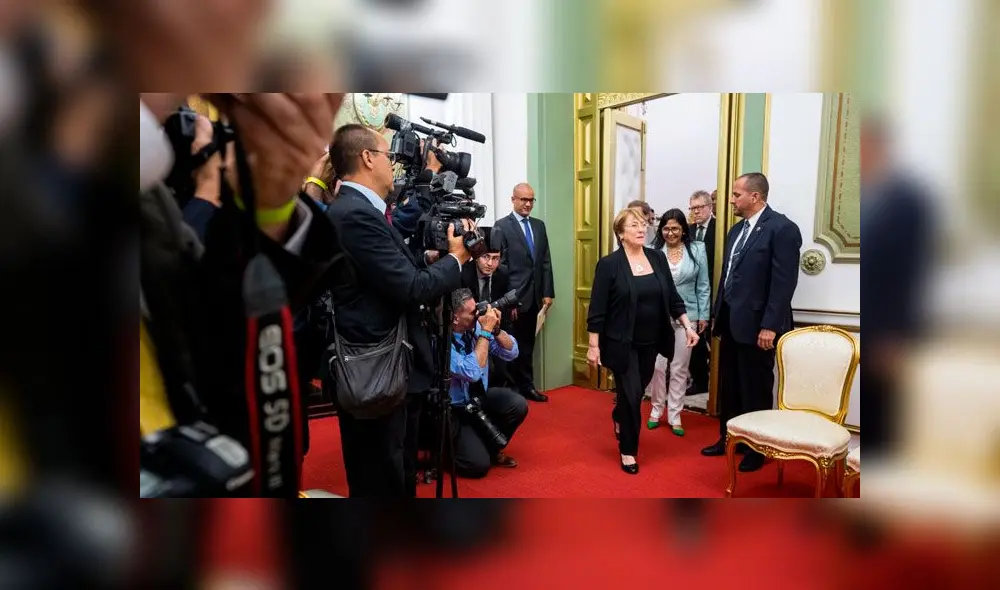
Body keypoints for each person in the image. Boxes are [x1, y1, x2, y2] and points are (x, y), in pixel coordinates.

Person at [324, 123, 473, 497]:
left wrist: (426, 260)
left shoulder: (359, 210)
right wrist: (455, 260)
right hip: (376, 369)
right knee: (381, 476)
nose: (393, 163)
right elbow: (409, 288)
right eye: (387, 155)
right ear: (367, 158)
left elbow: (384, 275)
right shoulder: (355, 215)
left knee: (398, 467)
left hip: (389, 366)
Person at [701, 172, 802, 473]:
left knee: (755, 388)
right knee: (730, 386)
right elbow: (728, 275)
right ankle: (729, 439)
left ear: (755, 196)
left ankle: (757, 448)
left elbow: (783, 283)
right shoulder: (735, 231)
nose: (731, 200)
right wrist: (717, 314)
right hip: (731, 322)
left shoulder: (782, 229)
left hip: (760, 327)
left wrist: (770, 325)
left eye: (736, 195)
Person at [587, 207, 699, 474]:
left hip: (652, 341)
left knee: (635, 394)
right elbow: (597, 309)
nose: (641, 229)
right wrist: (593, 345)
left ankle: (619, 415)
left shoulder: (656, 257)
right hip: (621, 342)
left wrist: (687, 326)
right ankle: (628, 451)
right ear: (621, 233)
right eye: (634, 225)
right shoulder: (609, 264)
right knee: (631, 394)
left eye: (643, 224)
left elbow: (672, 297)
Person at [448, 289, 527, 478]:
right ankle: (446, 453)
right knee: (478, 466)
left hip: (478, 398)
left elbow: (512, 352)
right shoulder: (442, 341)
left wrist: (496, 330)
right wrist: (485, 332)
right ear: (455, 317)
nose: (478, 315)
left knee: (517, 404)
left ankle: (489, 448)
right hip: (454, 410)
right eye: (472, 312)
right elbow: (472, 373)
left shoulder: (475, 328)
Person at [646, 209, 710, 435]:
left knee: (680, 367)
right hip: (658, 317)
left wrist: (703, 315)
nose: (670, 233)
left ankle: (675, 414)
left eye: (675, 228)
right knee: (657, 367)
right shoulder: (653, 251)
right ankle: (656, 410)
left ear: (683, 230)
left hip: (688, 315)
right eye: (666, 228)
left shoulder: (697, 249)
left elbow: (703, 285)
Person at [495, 182, 554, 402]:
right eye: (523, 200)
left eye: (531, 200)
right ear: (513, 200)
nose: (528, 204)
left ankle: (527, 386)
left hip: (535, 297)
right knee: (509, 345)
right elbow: (501, 267)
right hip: (513, 299)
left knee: (528, 346)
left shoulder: (539, 226)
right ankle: (510, 390)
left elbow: (545, 261)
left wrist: (547, 292)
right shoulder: (502, 226)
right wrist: (508, 300)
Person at [461, 226, 514, 386]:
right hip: (470, 332)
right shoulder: (463, 273)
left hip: (496, 329)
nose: (490, 263)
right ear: (476, 256)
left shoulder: (503, 273)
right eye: (486, 257)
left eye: (495, 258)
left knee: (501, 370)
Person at [686, 190, 716, 394]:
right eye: (692, 208)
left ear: (710, 207)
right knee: (694, 340)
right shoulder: (687, 231)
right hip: (690, 294)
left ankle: (716, 383)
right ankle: (700, 381)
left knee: (713, 339)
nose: (695, 211)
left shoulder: (720, 229)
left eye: (699, 207)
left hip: (713, 291)